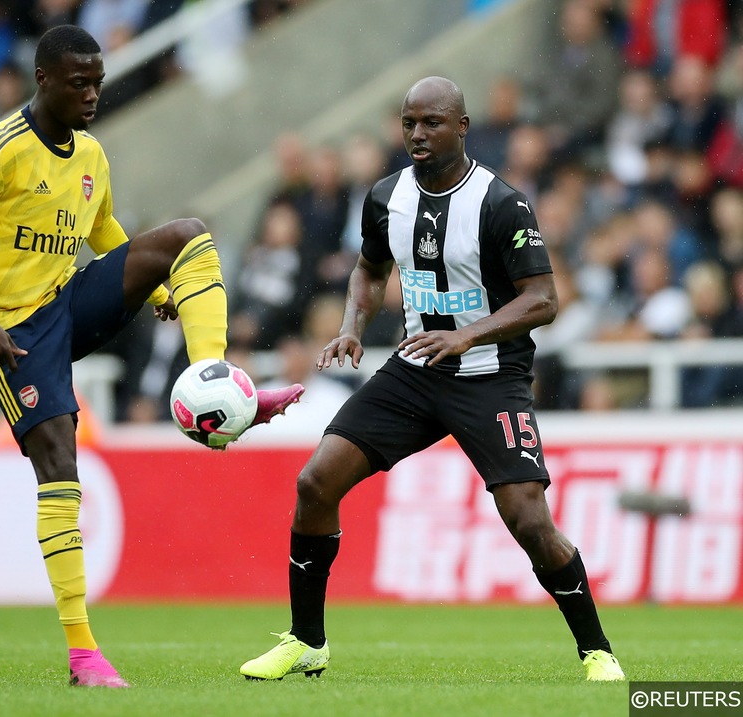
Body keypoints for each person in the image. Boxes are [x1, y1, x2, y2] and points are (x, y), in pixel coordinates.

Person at [0, 25, 303, 688]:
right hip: (14, 332)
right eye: (79, 83)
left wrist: (152, 286)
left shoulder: (91, 154)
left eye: (97, 81)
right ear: (43, 80)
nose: (93, 94)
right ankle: (82, 651)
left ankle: (215, 381)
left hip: (67, 302)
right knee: (61, 461)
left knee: (187, 237)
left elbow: (104, 235)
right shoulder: (1, 150)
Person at [239, 76, 625, 683]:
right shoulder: (386, 197)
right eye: (409, 123)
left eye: (432, 123)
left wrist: (466, 335)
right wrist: (351, 325)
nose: (418, 135)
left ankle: (597, 651)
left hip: (489, 374)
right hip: (417, 370)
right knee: (315, 483)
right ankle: (306, 642)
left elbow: (544, 300)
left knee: (529, 521)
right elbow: (368, 269)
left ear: (463, 127)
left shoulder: (501, 203)